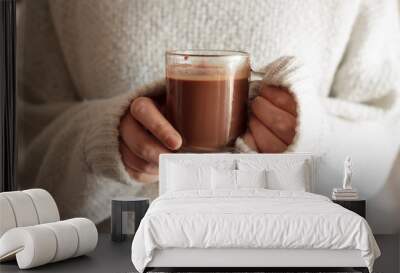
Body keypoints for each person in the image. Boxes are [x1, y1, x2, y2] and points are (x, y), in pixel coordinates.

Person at [17, 0, 400, 233]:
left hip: (291, 256)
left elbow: (379, 149)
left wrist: (315, 139)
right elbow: (25, 159)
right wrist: (102, 145)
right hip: (113, 257)